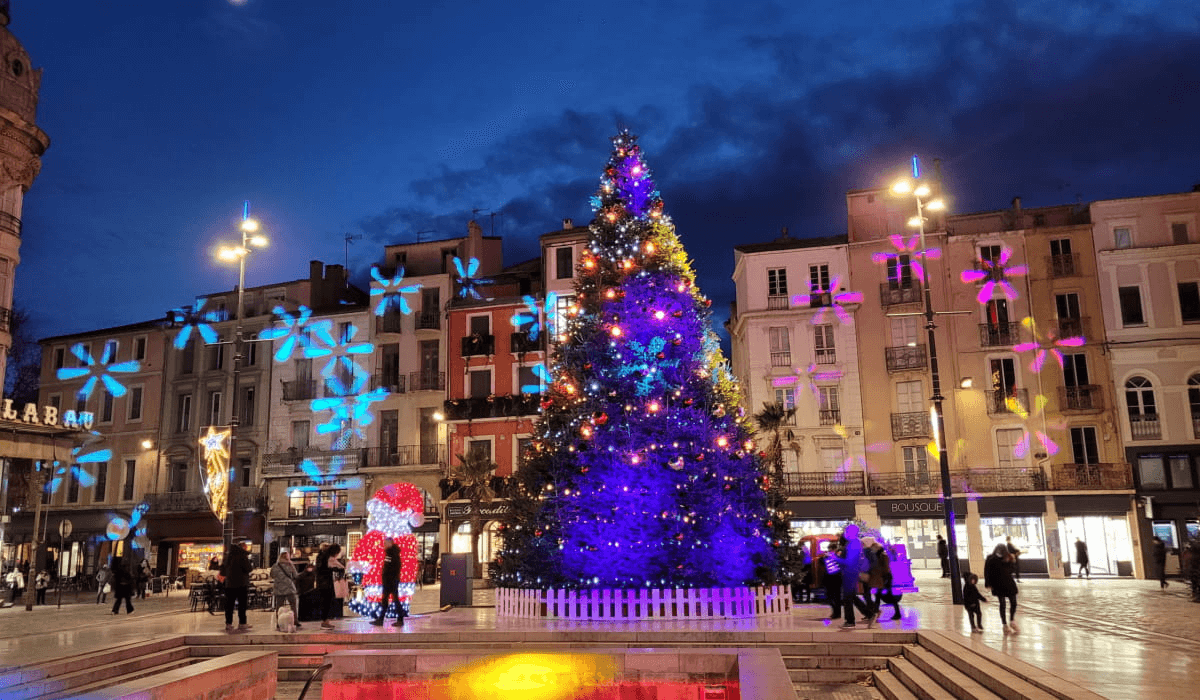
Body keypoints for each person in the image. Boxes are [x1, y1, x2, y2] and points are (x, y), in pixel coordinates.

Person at [826, 524, 874, 629]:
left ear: (852, 532)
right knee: (851, 597)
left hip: (850, 573)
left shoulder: (853, 544)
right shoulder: (853, 543)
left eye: (847, 531)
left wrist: (835, 558)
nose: (845, 533)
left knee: (847, 598)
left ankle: (850, 621)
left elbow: (849, 561)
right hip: (850, 572)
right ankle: (869, 614)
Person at [984, 543, 1019, 634]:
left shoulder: (1008, 558)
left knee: (1012, 602)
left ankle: (1011, 621)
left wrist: (1010, 561)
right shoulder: (991, 558)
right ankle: (1005, 624)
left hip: (1007, 583)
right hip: (998, 584)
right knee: (1003, 603)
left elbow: (1012, 570)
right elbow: (987, 571)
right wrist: (988, 583)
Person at [221, 540, 254, 633]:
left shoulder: (228, 557)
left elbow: (222, 571)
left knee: (229, 605)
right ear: (242, 547)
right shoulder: (243, 556)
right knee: (242, 604)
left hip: (229, 585)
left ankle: (228, 624)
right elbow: (249, 569)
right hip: (241, 584)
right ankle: (242, 623)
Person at [373, 538, 404, 626]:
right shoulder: (392, 553)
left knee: (393, 600)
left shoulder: (391, 554)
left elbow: (390, 568)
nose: (384, 545)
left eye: (385, 543)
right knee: (387, 600)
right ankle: (381, 619)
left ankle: (398, 619)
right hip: (391, 580)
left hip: (390, 581)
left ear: (390, 543)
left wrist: (387, 578)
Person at [315, 543, 345, 629]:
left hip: (322, 583)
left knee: (325, 602)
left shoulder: (321, 556)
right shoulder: (328, 558)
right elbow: (340, 568)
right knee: (326, 603)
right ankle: (325, 622)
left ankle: (325, 621)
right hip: (326, 583)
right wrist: (335, 569)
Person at [271, 551, 302, 630]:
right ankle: (295, 621)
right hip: (289, 588)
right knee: (293, 605)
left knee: (279, 606)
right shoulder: (290, 564)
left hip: (279, 588)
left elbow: (272, 575)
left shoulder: (275, 565)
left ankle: (279, 622)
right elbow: (295, 575)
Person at [820, 540, 843, 622]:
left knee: (834, 596)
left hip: (834, 578)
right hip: (833, 579)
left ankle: (836, 613)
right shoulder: (829, 556)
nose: (831, 550)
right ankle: (836, 612)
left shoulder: (838, 556)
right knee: (833, 596)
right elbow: (821, 562)